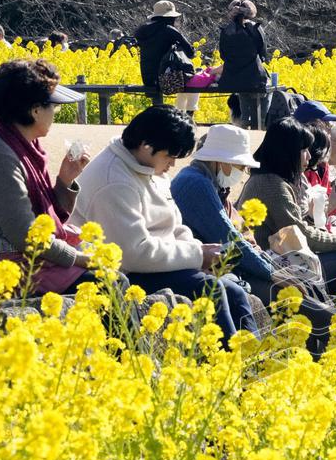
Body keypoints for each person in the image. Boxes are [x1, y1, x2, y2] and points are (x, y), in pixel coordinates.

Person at [72, 105, 260, 342]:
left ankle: (255, 363)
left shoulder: (150, 167)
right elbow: (133, 254)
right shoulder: (114, 181)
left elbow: (175, 226)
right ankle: (231, 366)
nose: (172, 164)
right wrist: (197, 256)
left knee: (234, 291)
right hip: (126, 271)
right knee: (208, 289)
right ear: (146, 145)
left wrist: (202, 253)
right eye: (169, 156)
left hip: (155, 262)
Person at [172, 124, 336, 354]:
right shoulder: (196, 184)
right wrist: (273, 271)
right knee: (285, 295)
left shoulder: (209, 182)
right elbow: (232, 239)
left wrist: (274, 268)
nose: (242, 171)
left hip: (226, 264)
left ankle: (333, 343)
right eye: (240, 165)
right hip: (214, 268)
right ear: (222, 161)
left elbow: (240, 234)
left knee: (295, 286)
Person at [0, 59, 92, 295]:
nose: (56, 112)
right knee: (102, 284)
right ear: (35, 110)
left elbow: (45, 222)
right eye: (54, 106)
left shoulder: (25, 146)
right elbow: (25, 234)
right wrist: (78, 258)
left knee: (110, 278)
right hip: (2, 264)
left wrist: (65, 181)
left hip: (24, 257)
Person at [238, 118, 336, 320]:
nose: (308, 156)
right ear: (287, 151)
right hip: (279, 264)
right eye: (303, 150)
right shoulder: (272, 185)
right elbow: (301, 234)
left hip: (286, 259)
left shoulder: (274, 179)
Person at [218, 0, 270, 129]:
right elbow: (263, 54)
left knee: (243, 94)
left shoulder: (225, 30)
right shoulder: (256, 28)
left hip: (233, 78)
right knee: (263, 96)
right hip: (254, 77)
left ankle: (244, 124)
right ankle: (258, 126)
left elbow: (223, 55)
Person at [134, 1, 194, 106]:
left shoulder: (142, 31)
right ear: (171, 18)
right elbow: (191, 53)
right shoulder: (169, 30)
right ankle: (187, 113)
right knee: (196, 80)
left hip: (148, 80)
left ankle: (183, 112)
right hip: (167, 80)